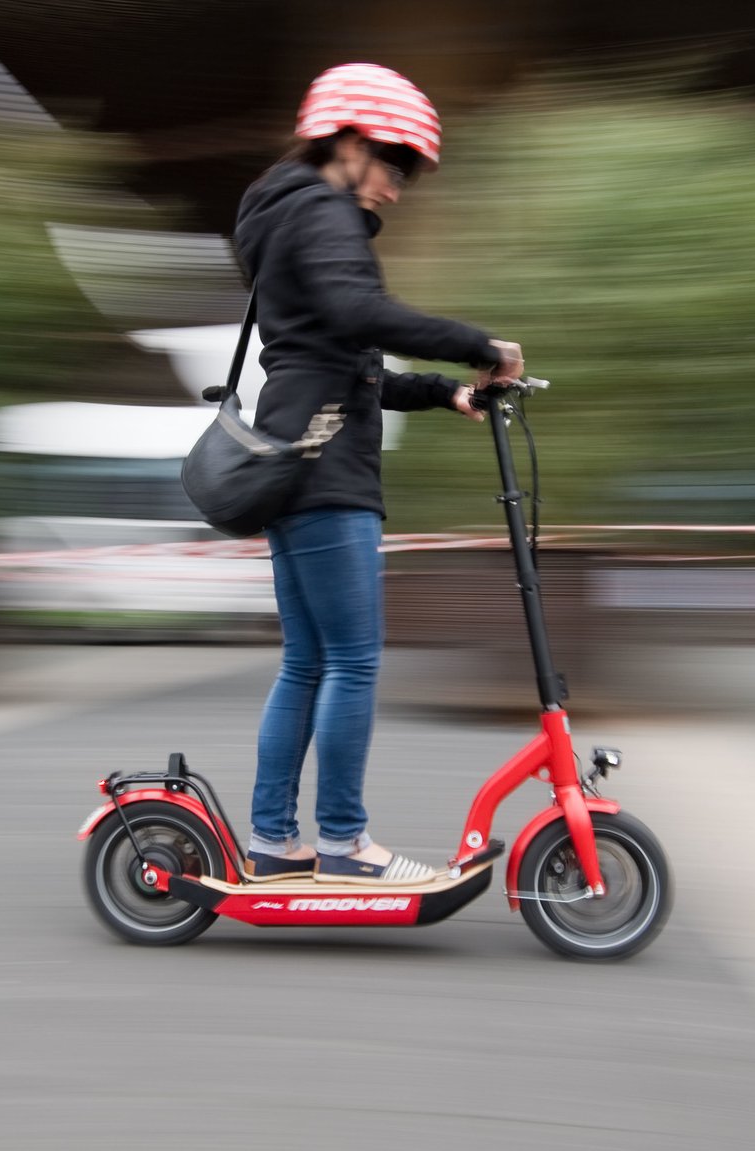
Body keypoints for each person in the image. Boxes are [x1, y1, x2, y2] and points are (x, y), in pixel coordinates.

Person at [232, 63, 523, 885]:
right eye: (392, 166)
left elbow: (347, 363)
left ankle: (273, 837)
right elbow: (363, 317)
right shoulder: (322, 213)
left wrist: (445, 392)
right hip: (328, 475)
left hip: (293, 460)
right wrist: (481, 342)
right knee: (352, 660)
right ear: (352, 142)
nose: (395, 188)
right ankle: (343, 841)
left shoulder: (288, 217)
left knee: (307, 661)